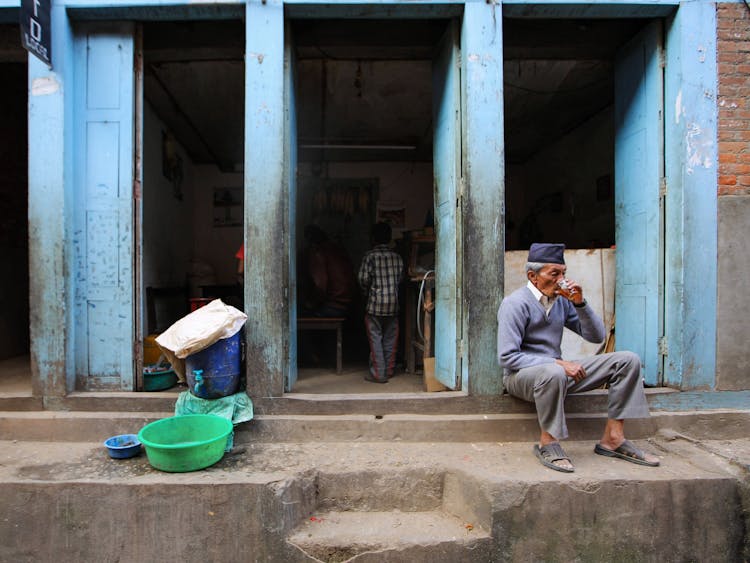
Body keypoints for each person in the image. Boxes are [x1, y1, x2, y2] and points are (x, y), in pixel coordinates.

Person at [497, 242, 659, 472]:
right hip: (521, 378)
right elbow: (507, 357)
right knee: (552, 371)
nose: (561, 279)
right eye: (554, 273)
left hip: (556, 375)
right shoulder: (514, 304)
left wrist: (580, 303)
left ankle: (613, 438)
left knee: (627, 360)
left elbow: (597, 336)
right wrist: (556, 362)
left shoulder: (561, 301)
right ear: (533, 276)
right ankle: (548, 442)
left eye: (563, 273)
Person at [358, 222, 404, 383]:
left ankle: (379, 374)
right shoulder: (397, 257)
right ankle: (389, 371)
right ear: (389, 238)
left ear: (373, 238)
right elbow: (400, 280)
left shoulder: (369, 257)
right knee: (390, 339)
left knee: (375, 339)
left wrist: (367, 292)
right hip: (393, 305)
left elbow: (363, 279)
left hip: (375, 306)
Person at [300, 225, 356, 318]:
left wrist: (310, 303)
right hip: (350, 304)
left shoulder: (318, 252)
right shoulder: (338, 249)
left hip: (334, 306)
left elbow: (320, 286)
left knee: (296, 314)